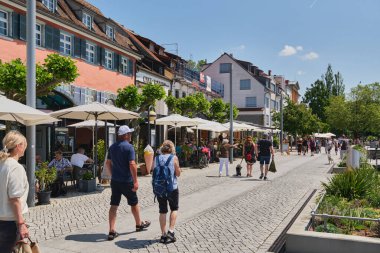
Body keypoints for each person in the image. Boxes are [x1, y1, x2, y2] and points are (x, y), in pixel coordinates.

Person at [105, 125, 151, 240]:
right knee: (134, 203)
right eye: (129, 134)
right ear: (125, 135)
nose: (130, 135)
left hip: (115, 181)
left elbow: (107, 163)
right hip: (127, 181)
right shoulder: (129, 147)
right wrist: (135, 181)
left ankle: (111, 231)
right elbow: (132, 164)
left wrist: (112, 175)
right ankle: (139, 224)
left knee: (114, 205)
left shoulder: (112, 147)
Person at [0, 131, 29, 253]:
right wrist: (21, 224)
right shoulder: (15, 167)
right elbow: (15, 199)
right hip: (10, 222)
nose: (25, 148)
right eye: (25, 145)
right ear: (19, 146)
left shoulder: (2, 164)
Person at [154, 140, 181, 244]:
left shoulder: (156, 158)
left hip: (160, 188)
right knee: (174, 209)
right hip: (172, 187)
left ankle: (163, 234)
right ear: (171, 148)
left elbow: (152, 170)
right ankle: (171, 231)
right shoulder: (174, 158)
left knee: (162, 211)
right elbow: (178, 174)